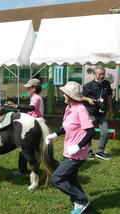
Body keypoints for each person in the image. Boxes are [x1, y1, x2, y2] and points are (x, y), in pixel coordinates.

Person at [46, 81, 95, 214]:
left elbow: (91, 131)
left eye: (65, 93)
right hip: (68, 151)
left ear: (70, 96)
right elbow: (67, 126)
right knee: (71, 179)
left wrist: (78, 147)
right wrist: (55, 134)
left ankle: (82, 200)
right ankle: (83, 208)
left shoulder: (80, 109)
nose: (63, 95)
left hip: (77, 153)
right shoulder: (69, 108)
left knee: (57, 178)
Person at [6, 78, 44, 176]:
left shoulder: (35, 97)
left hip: (35, 123)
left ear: (34, 88)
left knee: (24, 148)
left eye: (29, 88)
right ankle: (23, 170)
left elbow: (32, 108)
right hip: (37, 122)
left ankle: (23, 170)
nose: (27, 89)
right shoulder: (36, 97)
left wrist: (16, 106)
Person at [82, 66, 113, 160]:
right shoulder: (88, 85)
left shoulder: (107, 84)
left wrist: (110, 109)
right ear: (94, 74)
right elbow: (81, 97)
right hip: (91, 113)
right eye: (100, 74)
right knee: (90, 133)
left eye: (103, 74)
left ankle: (100, 151)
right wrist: (88, 99)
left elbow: (109, 97)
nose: (102, 76)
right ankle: (88, 152)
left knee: (105, 132)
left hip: (102, 113)